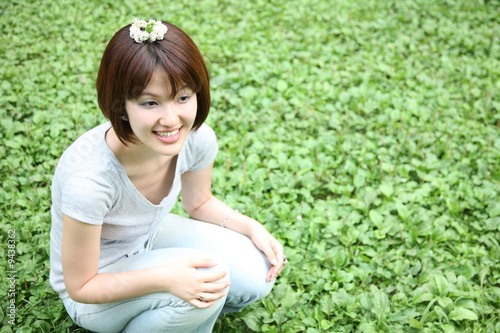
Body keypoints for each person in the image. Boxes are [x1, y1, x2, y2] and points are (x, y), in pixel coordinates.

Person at [49, 18, 286, 333]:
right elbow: (81, 286)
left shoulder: (196, 138)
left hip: (149, 237)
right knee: (204, 283)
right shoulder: (89, 180)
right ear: (121, 105)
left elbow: (199, 202)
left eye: (183, 98)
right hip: (96, 285)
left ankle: (167, 315)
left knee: (256, 272)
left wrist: (250, 227)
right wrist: (166, 278)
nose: (171, 120)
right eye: (150, 103)